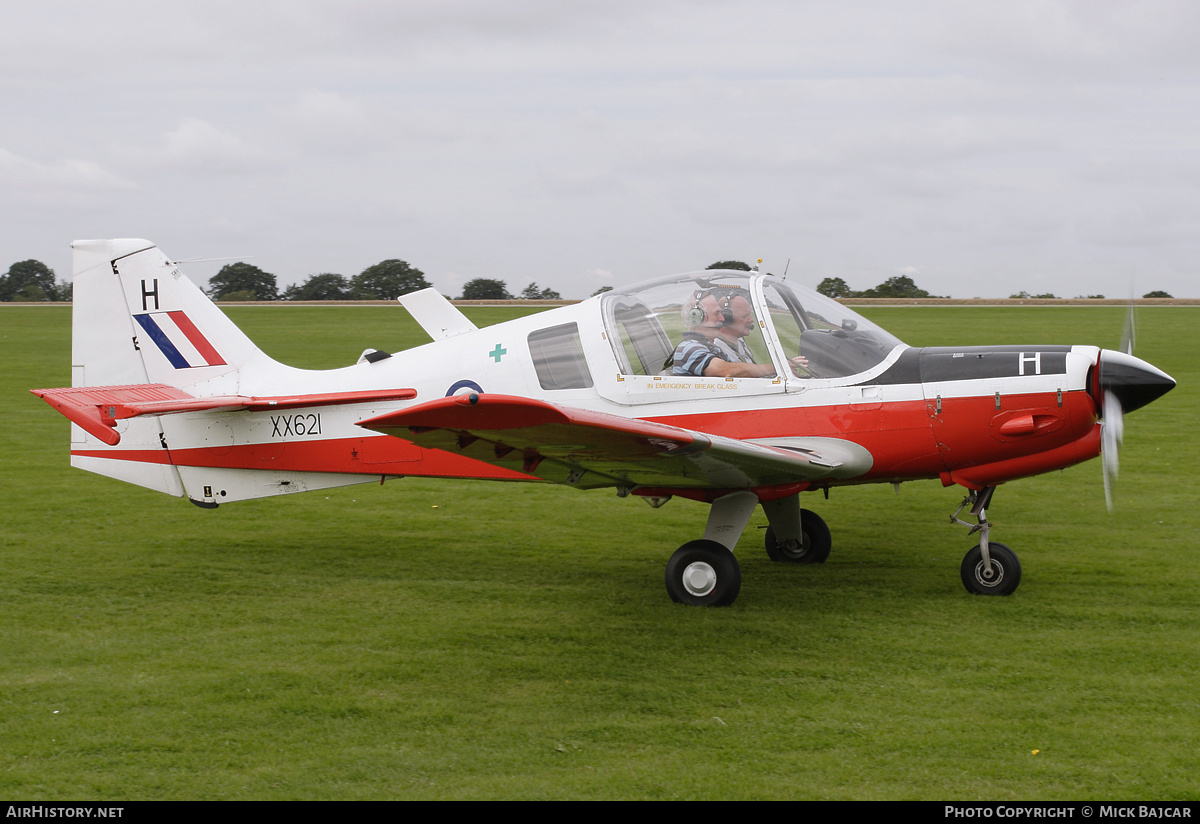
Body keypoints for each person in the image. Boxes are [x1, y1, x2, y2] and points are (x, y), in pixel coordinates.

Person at [671, 291, 777, 378]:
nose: (722, 318)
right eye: (717, 313)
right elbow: (726, 371)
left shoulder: (713, 348)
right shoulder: (689, 348)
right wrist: (776, 368)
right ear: (696, 318)